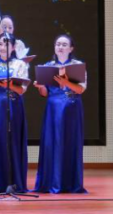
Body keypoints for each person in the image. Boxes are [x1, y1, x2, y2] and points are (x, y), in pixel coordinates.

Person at [34, 34, 87, 194]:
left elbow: (80, 89)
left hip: (72, 108)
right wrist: (40, 87)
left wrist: (67, 82)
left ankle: (70, 183)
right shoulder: (48, 66)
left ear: (71, 48)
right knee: (52, 143)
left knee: (70, 143)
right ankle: (51, 182)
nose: (60, 47)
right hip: (53, 109)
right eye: (58, 44)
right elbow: (45, 93)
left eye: (64, 44)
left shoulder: (77, 65)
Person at [0, 34, 30, 194]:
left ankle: (14, 182)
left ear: (13, 47)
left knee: (12, 141)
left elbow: (22, 90)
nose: (3, 47)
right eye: (1, 44)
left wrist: (9, 85)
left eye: (7, 44)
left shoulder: (20, 64)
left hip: (14, 107)